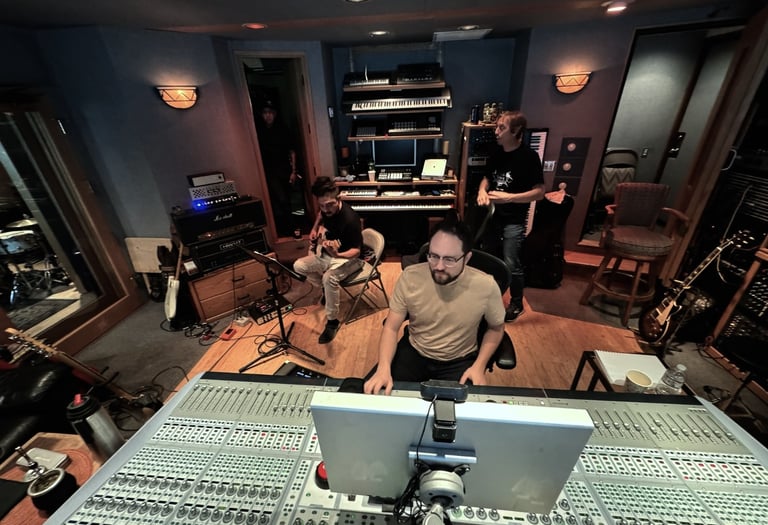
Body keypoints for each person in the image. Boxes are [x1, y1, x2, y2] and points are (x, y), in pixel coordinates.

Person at [364, 216, 505, 395]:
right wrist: (383, 368)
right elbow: (391, 327)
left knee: (459, 409)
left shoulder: (486, 286)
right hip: (414, 351)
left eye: (449, 259)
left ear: (467, 258)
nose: (439, 266)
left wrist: (479, 366)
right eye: (434, 256)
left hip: (459, 360)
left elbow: (496, 328)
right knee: (372, 397)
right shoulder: (410, 277)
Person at [477, 110, 544, 323]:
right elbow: (487, 178)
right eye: (496, 127)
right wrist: (481, 191)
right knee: (489, 258)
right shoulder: (496, 153)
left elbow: (539, 192)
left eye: (501, 128)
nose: (496, 132)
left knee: (511, 262)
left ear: (515, 131)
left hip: (513, 220)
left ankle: (516, 303)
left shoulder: (529, 157)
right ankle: (488, 297)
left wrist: (510, 198)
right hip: (492, 218)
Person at [293, 177, 363, 344]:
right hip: (328, 254)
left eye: (330, 205)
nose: (326, 209)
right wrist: (315, 228)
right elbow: (320, 215)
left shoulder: (351, 219)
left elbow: (357, 251)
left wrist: (338, 255)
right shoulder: (325, 209)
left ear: (338, 199)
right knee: (299, 266)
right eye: (322, 205)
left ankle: (332, 321)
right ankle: (326, 290)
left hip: (350, 259)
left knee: (328, 277)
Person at [256, 99, 300, 237]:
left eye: (270, 112)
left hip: (284, 169)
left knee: (286, 199)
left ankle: (291, 226)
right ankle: (288, 227)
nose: (268, 115)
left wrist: (293, 171)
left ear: (275, 114)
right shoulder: (258, 131)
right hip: (268, 171)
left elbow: (292, 151)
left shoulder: (283, 129)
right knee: (278, 199)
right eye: (265, 113)